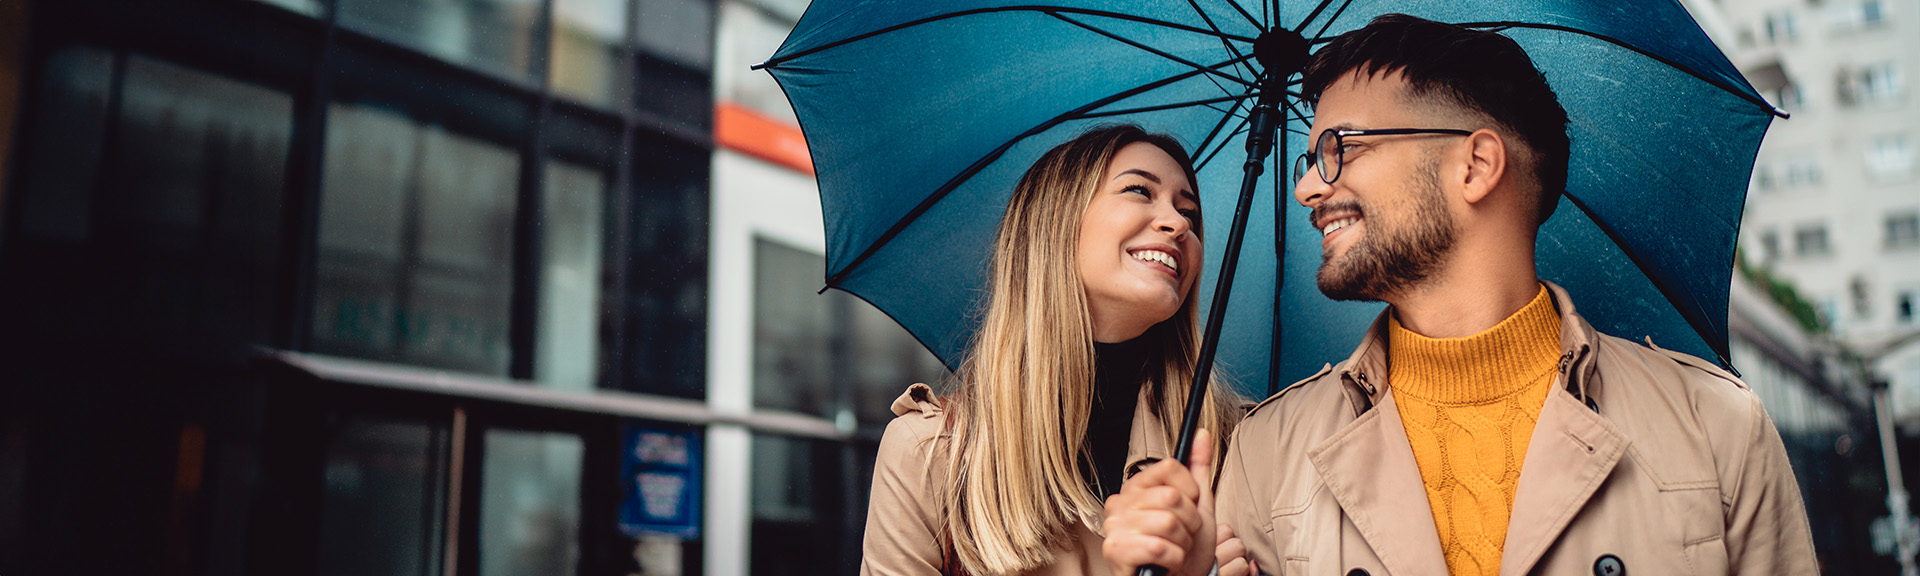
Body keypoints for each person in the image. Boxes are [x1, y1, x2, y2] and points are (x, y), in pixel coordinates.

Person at [1102, 14, 1818, 576]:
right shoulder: (1265, 451)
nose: (1308, 187)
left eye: (1337, 150)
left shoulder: (1714, 424)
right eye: (1309, 157)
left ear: (1475, 165)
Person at [861, 124, 1247, 575]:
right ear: (1056, 223)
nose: (1179, 223)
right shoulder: (932, 454)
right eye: (1140, 190)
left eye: (1190, 214)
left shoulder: (1236, 446)